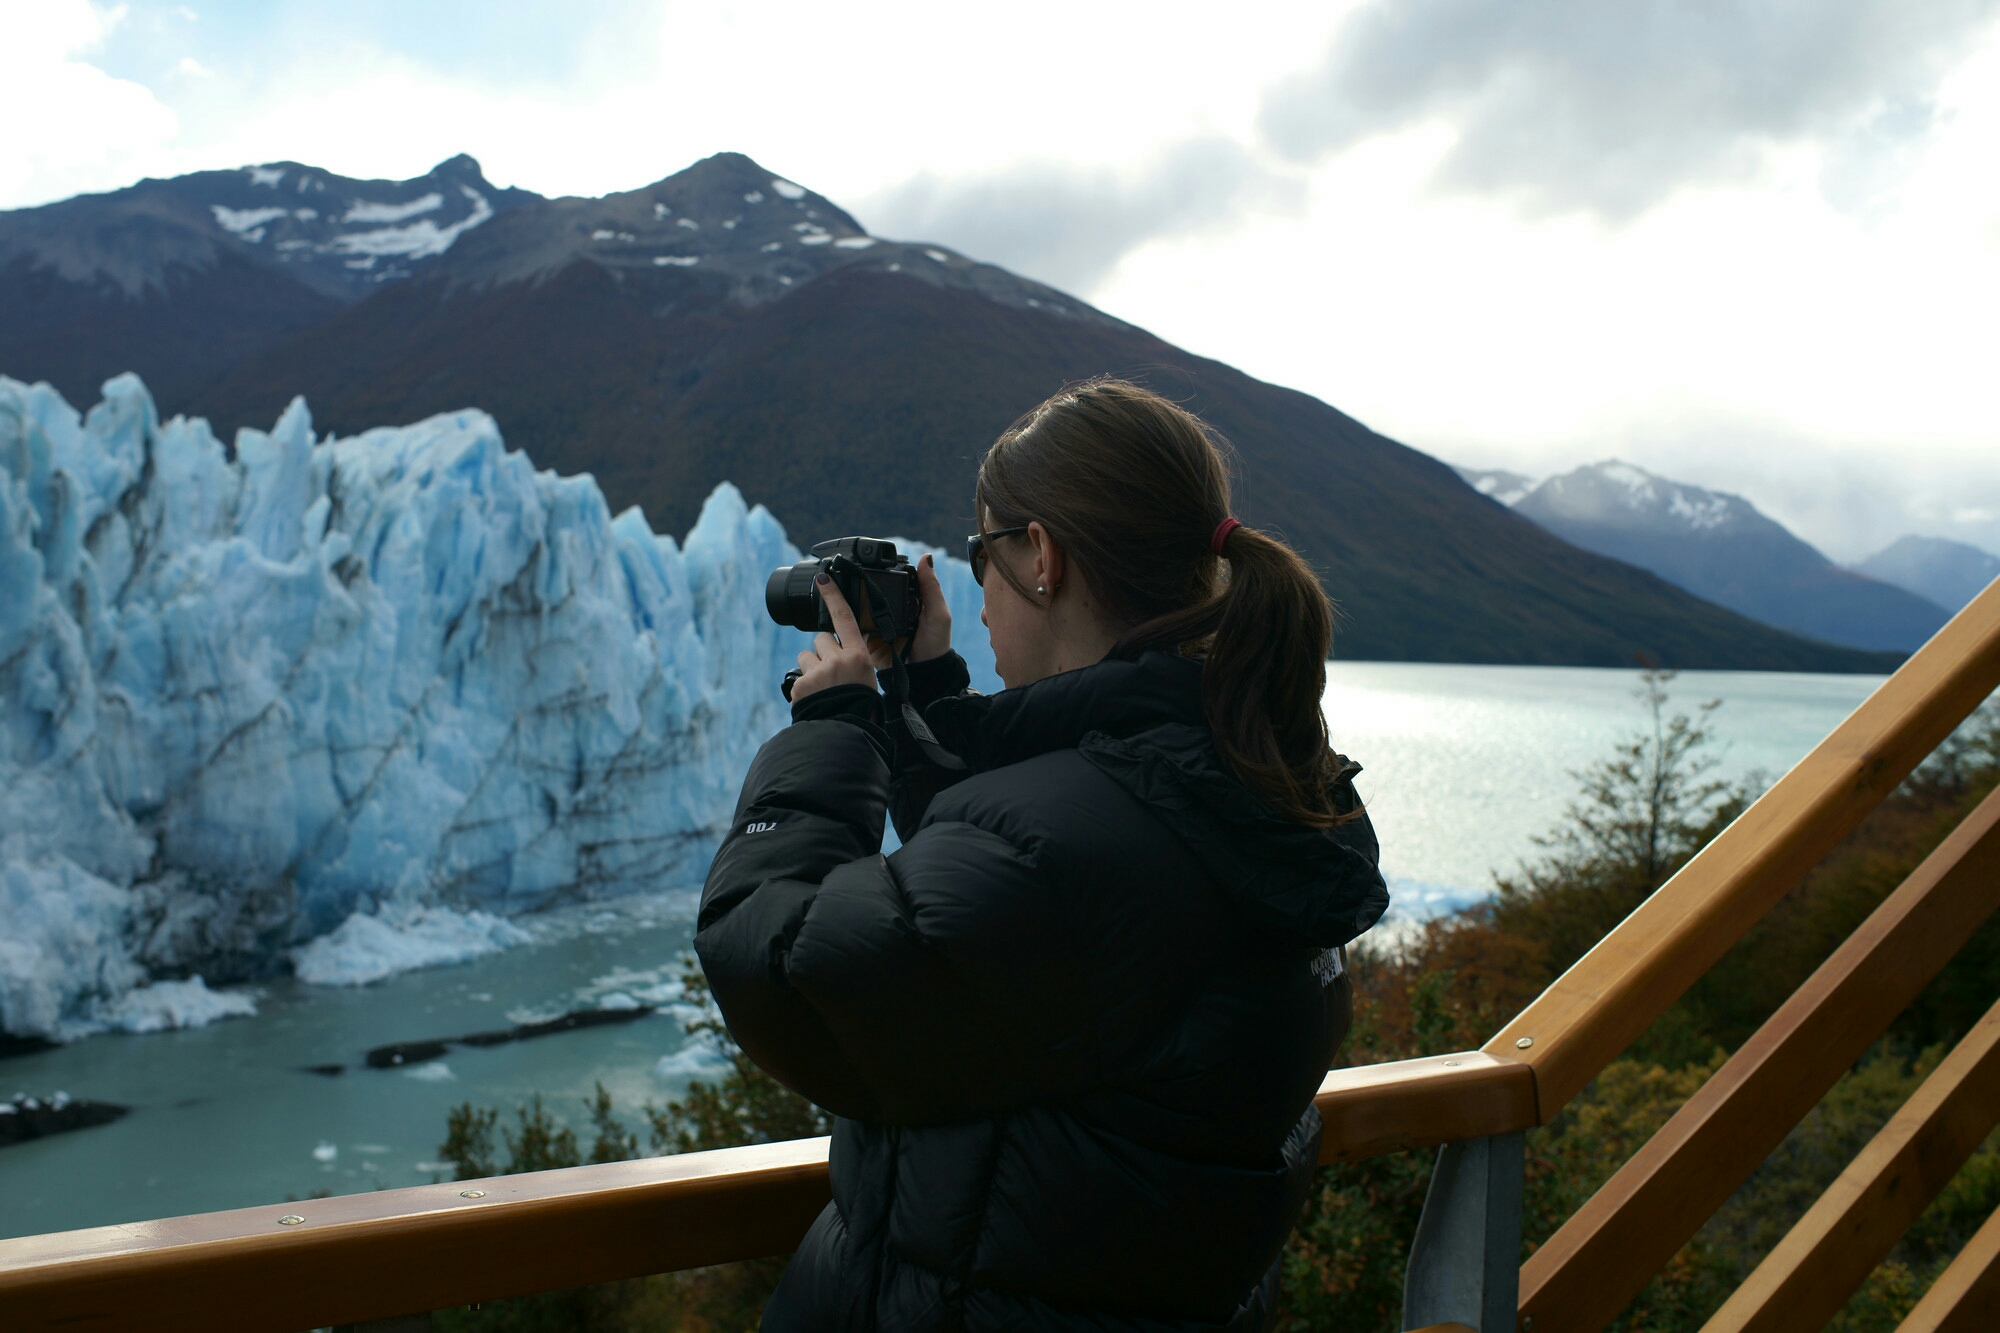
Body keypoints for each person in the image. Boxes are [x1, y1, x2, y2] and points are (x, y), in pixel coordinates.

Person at [695, 378, 1388, 1333]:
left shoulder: (1082, 843)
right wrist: (925, 692)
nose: (976, 590)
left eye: (983, 553)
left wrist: (835, 733)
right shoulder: (1243, 779)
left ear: (1042, 557)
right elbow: (1008, 925)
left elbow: (771, 959)